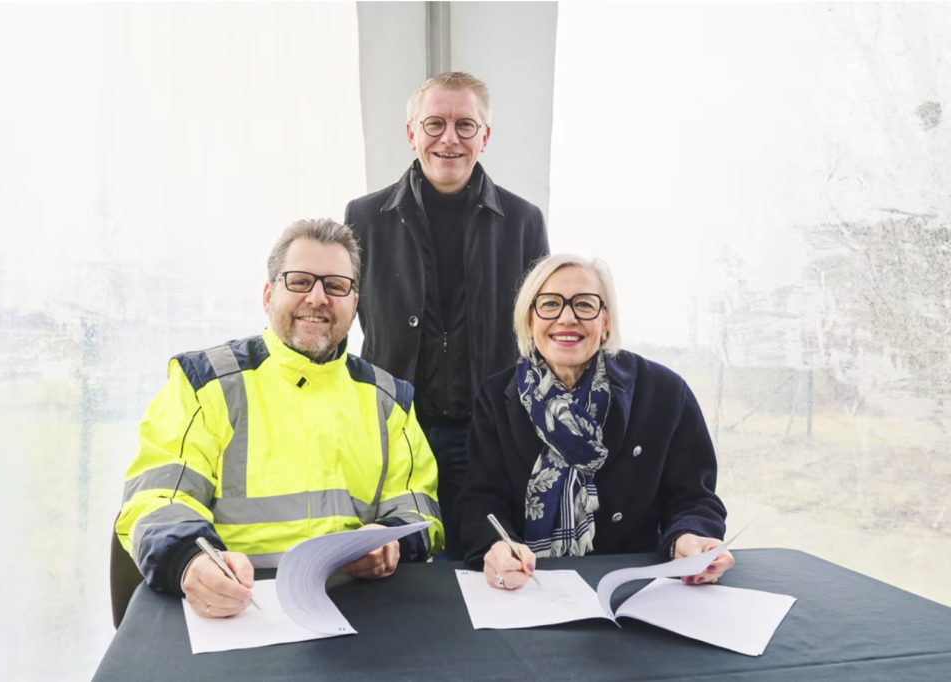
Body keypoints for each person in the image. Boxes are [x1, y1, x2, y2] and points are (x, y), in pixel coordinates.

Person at [116, 218, 444, 618]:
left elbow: (419, 506)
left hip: (357, 612)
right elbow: (159, 497)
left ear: (355, 303)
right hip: (237, 610)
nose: (318, 298)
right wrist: (192, 561)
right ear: (269, 294)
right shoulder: (205, 384)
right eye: (300, 281)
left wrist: (389, 541)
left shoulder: (389, 398)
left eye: (336, 286)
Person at [345, 72, 549, 559]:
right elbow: (338, 312)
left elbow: (542, 331)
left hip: (486, 429)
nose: (449, 138)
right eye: (434, 124)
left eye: (465, 125)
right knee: (396, 563)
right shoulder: (364, 217)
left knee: (477, 557)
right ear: (411, 133)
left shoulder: (524, 221)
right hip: (393, 426)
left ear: (486, 136)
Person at [459, 254, 734, 590]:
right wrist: (497, 546)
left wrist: (690, 537)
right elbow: (480, 501)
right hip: (530, 588)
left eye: (585, 305)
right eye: (549, 304)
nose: (567, 317)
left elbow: (695, 498)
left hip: (633, 587)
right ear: (530, 320)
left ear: (606, 322)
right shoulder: (496, 396)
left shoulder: (664, 392)